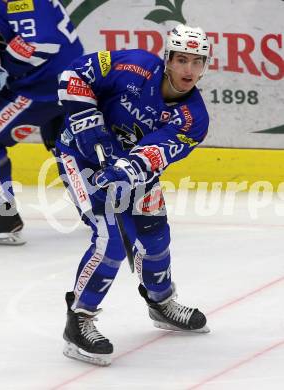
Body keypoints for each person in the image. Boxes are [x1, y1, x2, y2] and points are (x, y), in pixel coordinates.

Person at [56, 24, 211, 366]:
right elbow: (74, 75)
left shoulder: (193, 118)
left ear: (205, 66)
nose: (189, 70)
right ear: (167, 59)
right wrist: (88, 124)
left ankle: (162, 303)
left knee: (157, 239)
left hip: (131, 175)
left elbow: (154, 156)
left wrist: (121, 169)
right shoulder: (133, 64)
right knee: (108, 243)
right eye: (182, 59)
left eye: (197, 62)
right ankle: (78, 320)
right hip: (78, 158)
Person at [0, 0, 83, 245]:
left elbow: (42, 43)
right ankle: (108, 210)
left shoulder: (20, 1)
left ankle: (4, 217)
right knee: (65, 147)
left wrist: (0, 66)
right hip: (62, 78)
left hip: (43, 86)